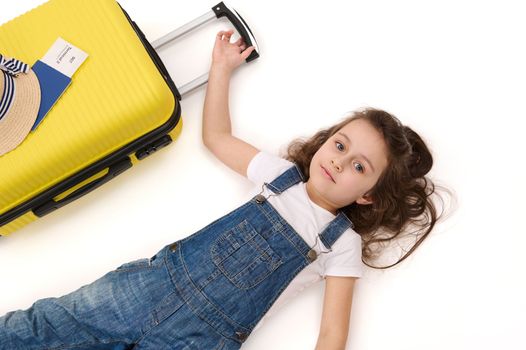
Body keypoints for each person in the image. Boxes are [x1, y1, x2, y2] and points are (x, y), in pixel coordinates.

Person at [0, 30, 443, 350]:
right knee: (47, 325)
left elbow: (332, 334)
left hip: (199, 339)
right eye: (340, 145)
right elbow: (217, 137)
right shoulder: (280, 175)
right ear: (326, 140)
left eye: (359, 166)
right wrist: (220, 68)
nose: (339, 161)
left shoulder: (341, 244)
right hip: (147, 287)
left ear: (368, 195)